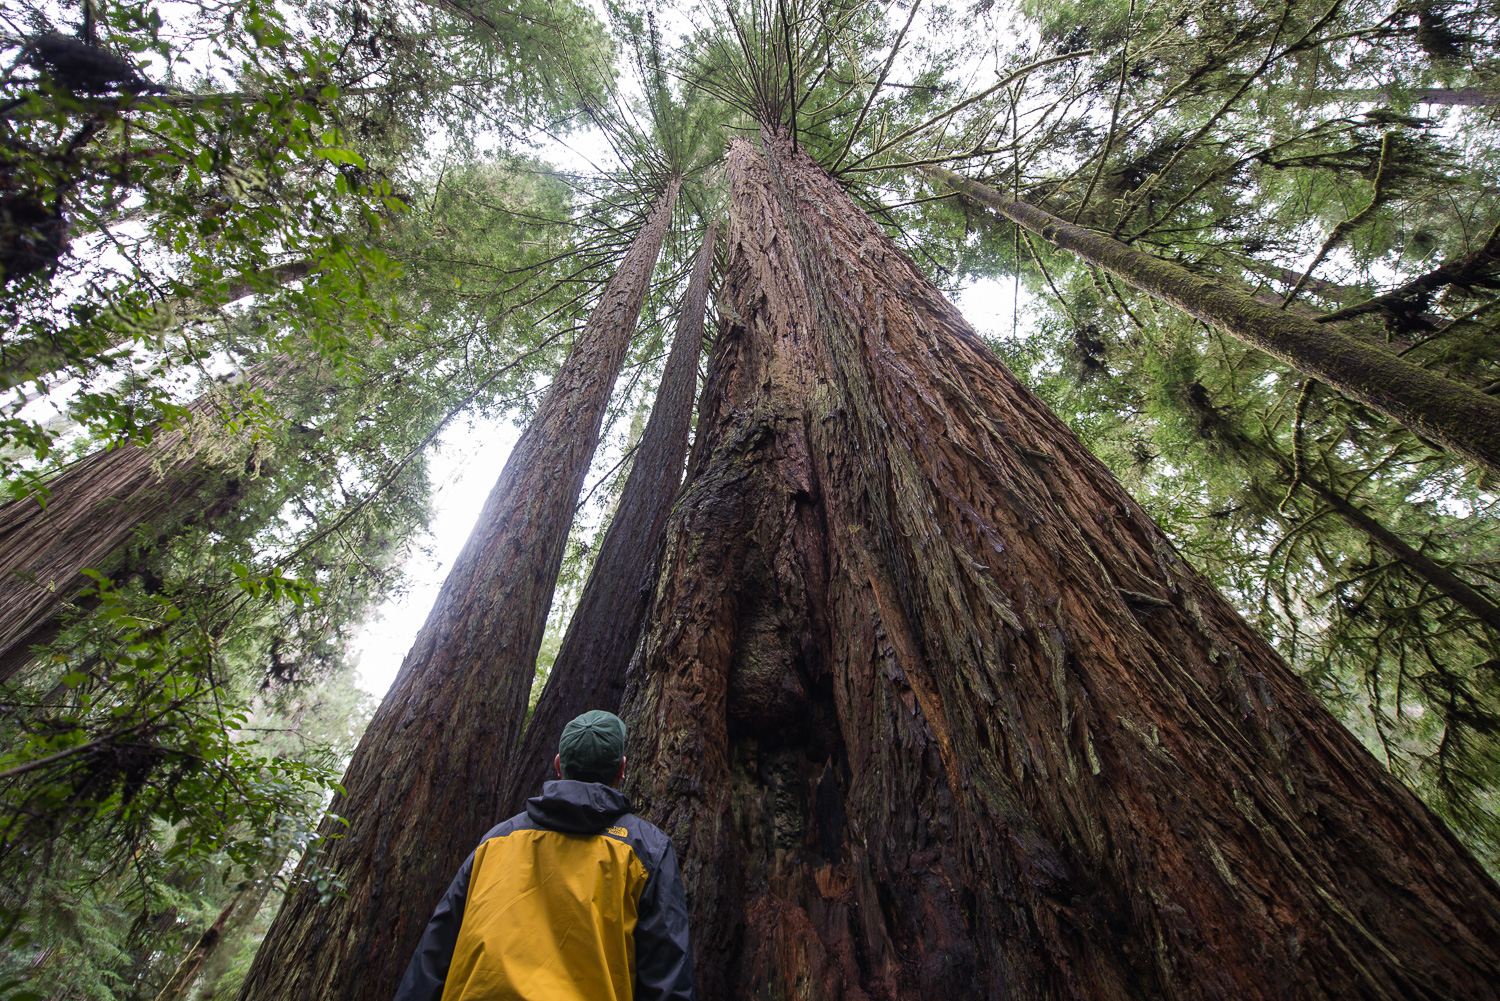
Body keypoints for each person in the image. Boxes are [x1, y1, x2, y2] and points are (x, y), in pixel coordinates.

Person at [392, 710, 695, 1001]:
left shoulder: (496, 841)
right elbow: (667, 978)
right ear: (622, 769)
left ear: (559, 765)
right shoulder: (647, 851)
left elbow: (433, 956)